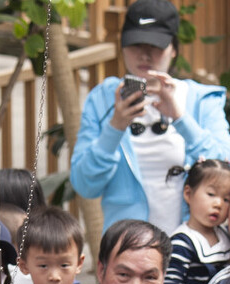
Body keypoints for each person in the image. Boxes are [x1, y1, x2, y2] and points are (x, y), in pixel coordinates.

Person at [70, 0, 230, 233]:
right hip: (127, 251)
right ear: (122, 46)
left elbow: (225, 167)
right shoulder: (103, 99)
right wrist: (115, 128)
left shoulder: (200, 100)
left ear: (174, 49)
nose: (144, 55)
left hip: (193, 252)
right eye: (136, 44)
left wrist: (180, 118)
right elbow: (84, 185)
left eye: (155, 45)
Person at [162, 159, 230, 284]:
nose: (218, 203)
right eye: (211, 194)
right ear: (188, 193)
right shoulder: (182, 241)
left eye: (226, 199)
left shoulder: (224, 236)